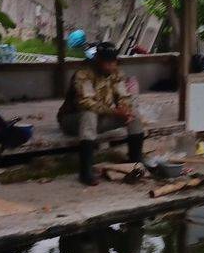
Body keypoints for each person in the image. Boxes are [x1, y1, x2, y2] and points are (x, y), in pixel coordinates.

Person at [57, 42, 144, 186]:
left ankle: (136, 163)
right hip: (72, 121)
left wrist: (125, 110)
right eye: (107, 62)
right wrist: (114, 111)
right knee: (89, 114)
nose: (111, 66)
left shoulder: (117, 73)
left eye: (113, 62)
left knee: (134, 114)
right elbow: (85, 103)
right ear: (98, 60)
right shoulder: (83, 74)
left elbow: (124, 96)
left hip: (100, 119)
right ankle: (85, 172)